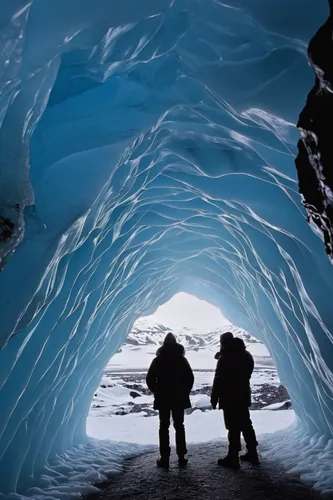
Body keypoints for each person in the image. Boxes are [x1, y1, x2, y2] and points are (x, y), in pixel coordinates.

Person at [211, 332, 258, 469]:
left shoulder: (225, 358)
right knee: (246, 424)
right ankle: (252, 452)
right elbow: (247, 373)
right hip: (243, 395)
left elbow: (219, 379)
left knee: (233, 426)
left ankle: (233, 456)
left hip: (229, 397)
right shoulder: (246, 355)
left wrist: (215, 398)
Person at [146, 332, 194, 468]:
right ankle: (181, 455)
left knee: (163, 426)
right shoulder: (181, 359)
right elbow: (190, 378)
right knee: (179, 426)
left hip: (163, 398)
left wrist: (156, 391)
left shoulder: (158, 360)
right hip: (179, 398)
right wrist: (185, 392)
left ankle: (165, 457)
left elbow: (149, 378)